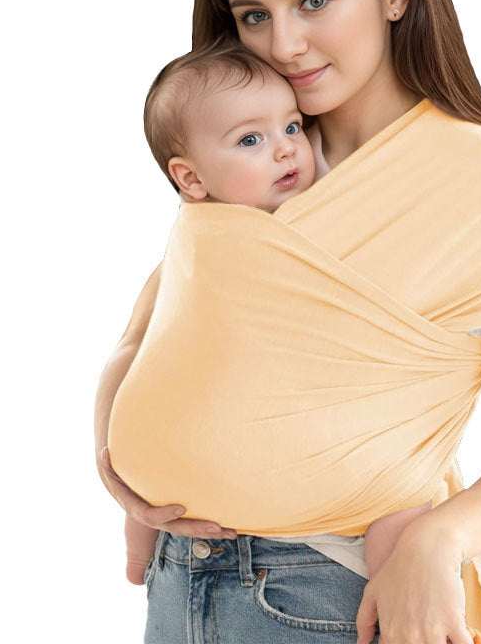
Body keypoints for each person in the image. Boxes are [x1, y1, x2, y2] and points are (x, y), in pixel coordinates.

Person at [94, 0, 481, 644]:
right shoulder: (250, 158)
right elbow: (148, 337)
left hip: (334, 590)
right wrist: (116, 458)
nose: (284, 43)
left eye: (313, 0)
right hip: (178, 575)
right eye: (252, 14)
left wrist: (440, 538)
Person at [120, 39, 436, 586]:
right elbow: (150, 340)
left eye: (292, 127)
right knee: (404, 494)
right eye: (251, 140)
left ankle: (393, 596)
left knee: (406, 501)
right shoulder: (201, 237)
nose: (287, 149)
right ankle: (134, 557)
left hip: (281, 507)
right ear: (191, 180)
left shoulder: (325, 211)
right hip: (172, 521)